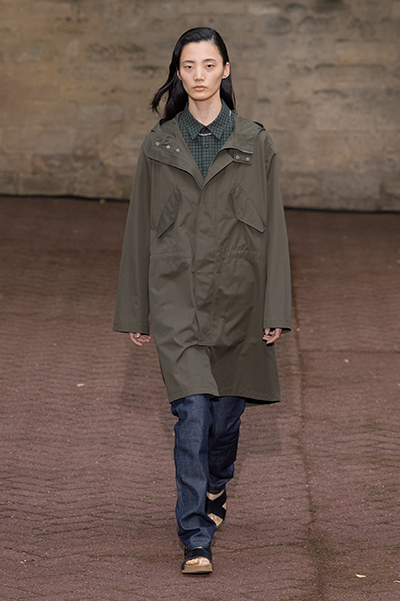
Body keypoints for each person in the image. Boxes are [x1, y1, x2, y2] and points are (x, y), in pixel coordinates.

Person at [113, 27, 291, 574]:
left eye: (208, 65)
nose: (198, 75)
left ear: (226, 70)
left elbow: (275, 230)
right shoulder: (159, 144)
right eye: (188, 66)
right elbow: (139, 227)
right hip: (176, 297)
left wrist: (275, 309)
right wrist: (136, 308)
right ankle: (194, 535)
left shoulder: (255, 142)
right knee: (191, 413)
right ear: (178, 72)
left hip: (240, 300)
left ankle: (217, 483)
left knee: (224, 422)